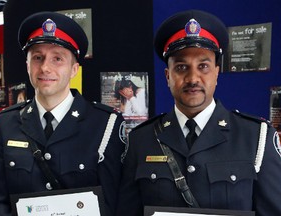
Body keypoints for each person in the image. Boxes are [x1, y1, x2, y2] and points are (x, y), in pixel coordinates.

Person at [116, 9, 281, 216]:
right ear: (168, 76)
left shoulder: (256, 137)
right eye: (182, 67)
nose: (193, 78)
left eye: (203, 66)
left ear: (216, 73)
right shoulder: (141, 140)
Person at [0, 11, 126, 216]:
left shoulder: (105, 124)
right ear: (28, 66)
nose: (45, 67)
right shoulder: (5, 123)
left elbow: (115, 203)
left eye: (57, 58)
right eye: (38, 57)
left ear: (74, 69)